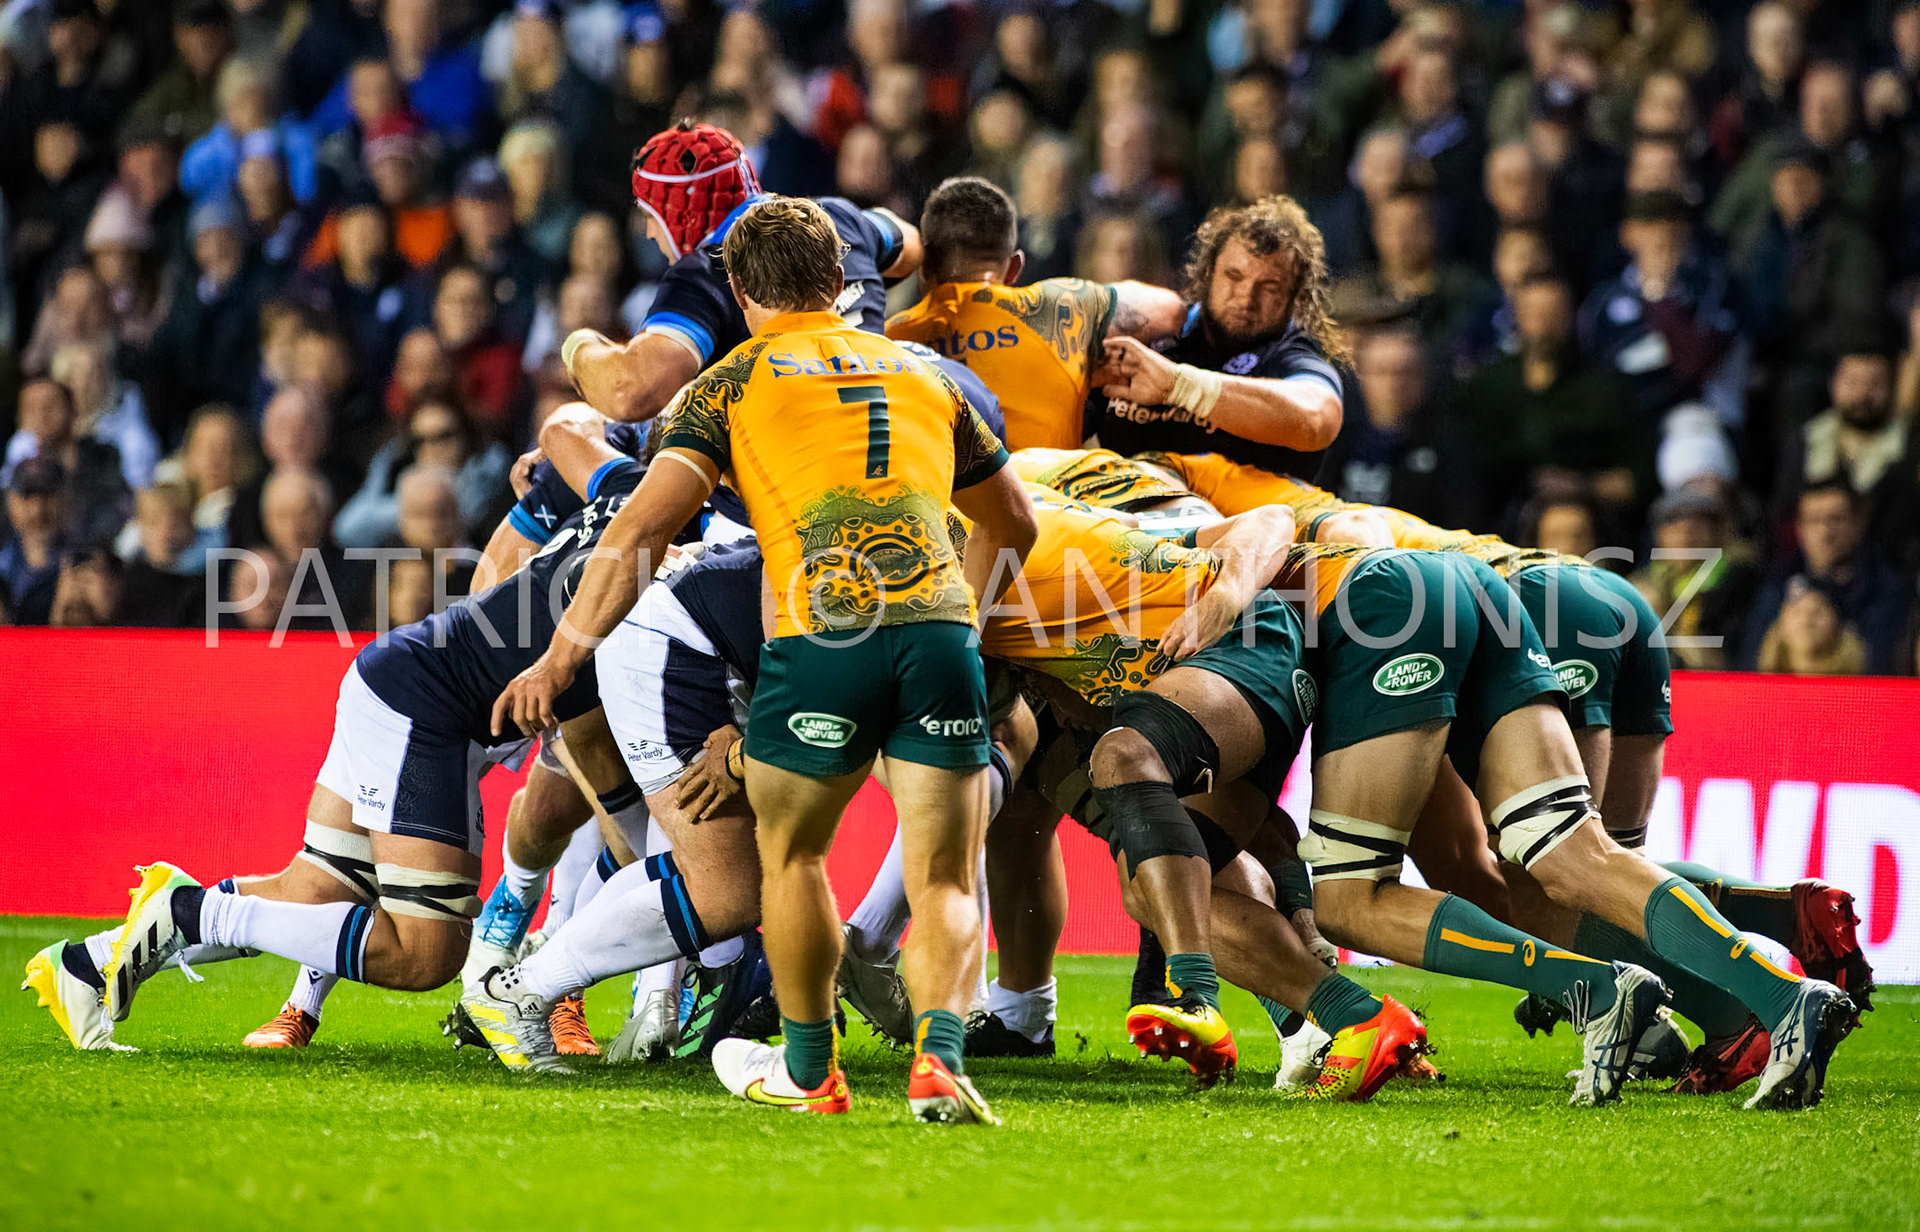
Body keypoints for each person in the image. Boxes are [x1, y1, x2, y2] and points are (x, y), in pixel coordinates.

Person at [488, 196, 1037, 1123]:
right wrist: (966, 621)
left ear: (738, 289)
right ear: (841, 279)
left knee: (792, 863)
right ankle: (939, 1062)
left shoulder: (728, 384)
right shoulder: (924, 375)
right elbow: (1013, 522)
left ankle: (810, 1070)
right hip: (941, 633)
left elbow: (638, 532)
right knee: (945, 873)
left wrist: (558, 658)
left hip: (822, 635)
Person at [23, 443, 658, 1056]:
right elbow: (618, 801)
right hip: (431, 708)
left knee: (316, 890)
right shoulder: (652, 542)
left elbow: (568, 433)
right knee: (426, 951)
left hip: (399, 680)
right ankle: (189, 912)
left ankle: (86, 964)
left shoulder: (621, 493)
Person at [561, 122, 923, 425]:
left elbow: (631, 392)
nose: (648, 233)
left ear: (683, 215)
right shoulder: (834, 217)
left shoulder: (706, 271)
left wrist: (577, 346)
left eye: (649, 217)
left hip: (791, 466)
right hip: (890, 423)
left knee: (564, 433)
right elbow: (912, 244)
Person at [886, 176, 1186, 450]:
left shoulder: (890, 339)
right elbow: (1169, 309)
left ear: (924, 269)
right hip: (1053, 499)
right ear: (1015, 267)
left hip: (943, 502)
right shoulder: (1061, 306)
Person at [1088, 195, 1347, 506]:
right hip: (1123, 523)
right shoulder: (1155, 331)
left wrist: (1179, 386)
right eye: (1233, 276)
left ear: (1296, 299)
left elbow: (1317, 419)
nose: (1246, 298)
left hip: (1252, 533)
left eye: (1269, 288)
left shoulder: (1292, 355)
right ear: (1207, 273)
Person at [1741, 481, 1910, 674]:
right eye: (1814, 520)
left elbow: (1882, 665)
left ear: (1858, 525)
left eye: (1836, 519)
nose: (1825, 532)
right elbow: (1750, 663)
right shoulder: (1775, 584)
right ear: (1799, 529)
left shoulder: (1887, 588)